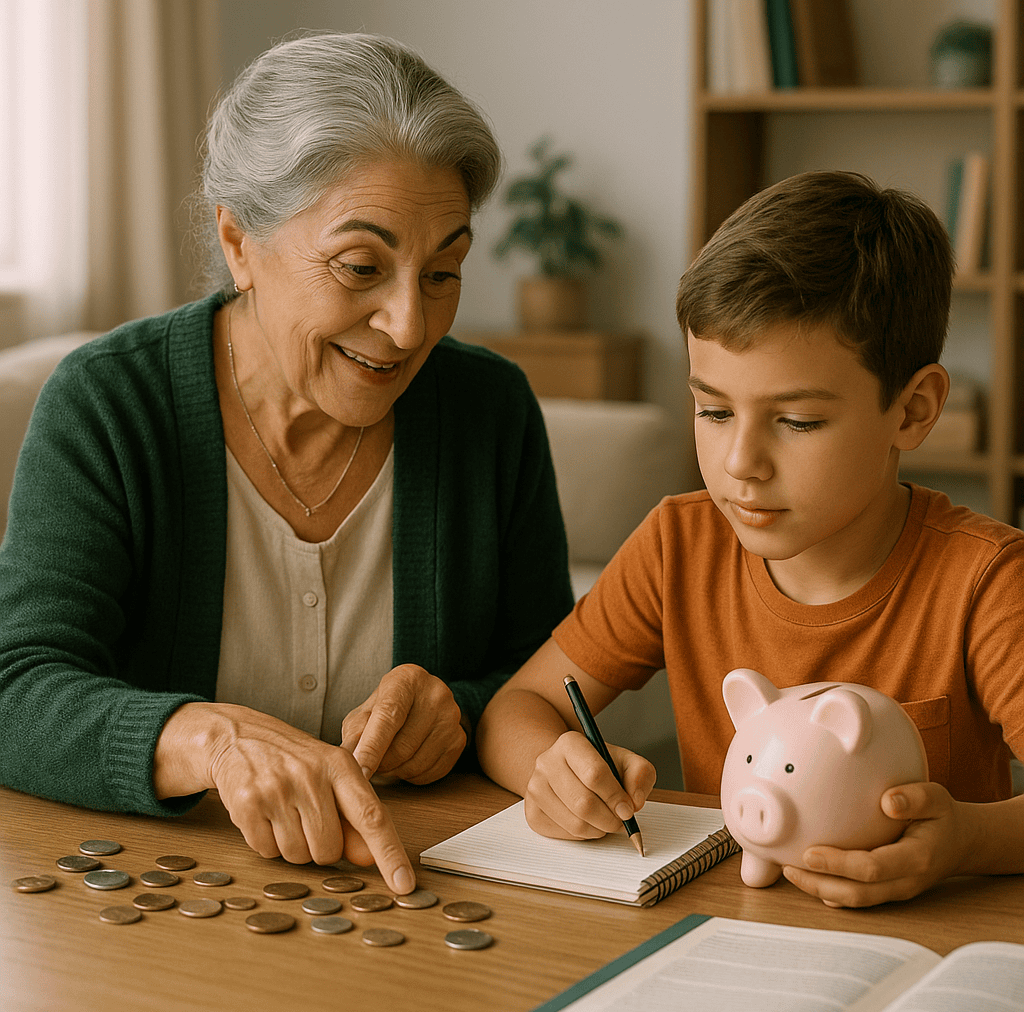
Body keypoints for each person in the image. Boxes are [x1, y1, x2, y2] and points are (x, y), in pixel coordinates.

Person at [0, 33, 573, 895]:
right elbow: (16, 687)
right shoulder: (110, 404)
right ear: (240, 243)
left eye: (444, 271)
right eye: (360, 267)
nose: (410, 325)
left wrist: (462, 710)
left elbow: (556, 677)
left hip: (420, 898)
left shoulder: (490, 413)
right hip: (166, 900)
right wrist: (207, 739)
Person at [476, 170, 1024, 908]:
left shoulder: (987, 579)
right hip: (726, 938)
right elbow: (516, 710)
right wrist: (557, 770)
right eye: (713, 411)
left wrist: (967, 840)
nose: (740, 464)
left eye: (797, 422)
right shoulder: (679, 545)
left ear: (913, 410)